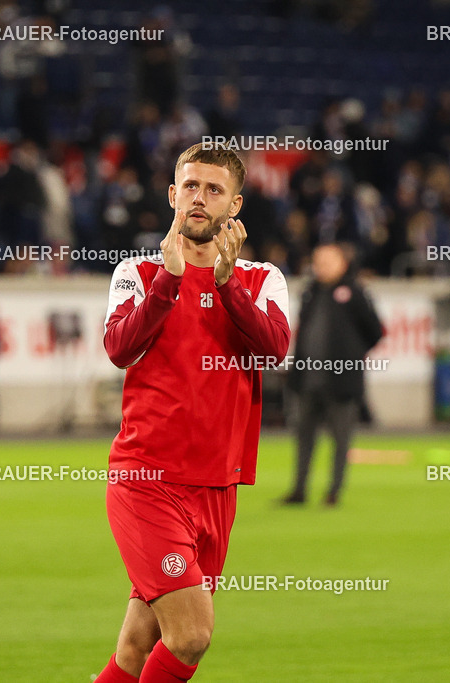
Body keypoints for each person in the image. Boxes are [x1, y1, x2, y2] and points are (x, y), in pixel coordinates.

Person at [95, 143, 290, 682]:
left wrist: (227, 286)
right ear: (171, 194)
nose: (199, 198)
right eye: (190, 186)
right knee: (191, 635)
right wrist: (169, 281)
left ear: (236, 205)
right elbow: (118, 348)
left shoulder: (261, 278)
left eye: (213, 189)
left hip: (218, 488)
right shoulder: (137, 272)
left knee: (138, 646)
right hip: (147, 480)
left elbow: (272, 350)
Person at [282, 243, 384, 507]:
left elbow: (375, 330)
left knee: (341, 440)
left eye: (328, 260)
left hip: (341, 381)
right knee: (303, 437)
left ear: (342, 262)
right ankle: (299, 490)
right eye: (318, 261)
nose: (322, 266)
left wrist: (352, 355)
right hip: (307, 379)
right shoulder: (310, 292)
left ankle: (333, 492)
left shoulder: (354, 292)